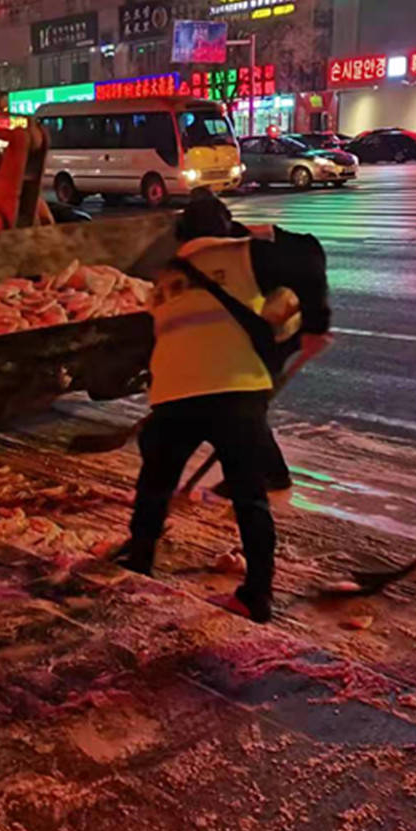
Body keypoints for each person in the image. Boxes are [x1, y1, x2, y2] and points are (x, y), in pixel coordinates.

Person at [120, 190, 301, 622]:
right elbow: (289, 311)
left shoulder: (165, 280)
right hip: (239, 396)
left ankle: (140, 557)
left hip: (177, 396)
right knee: (250, 498)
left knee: (155, 484)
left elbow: (159, 338)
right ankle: (257, 594)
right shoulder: (248, 260)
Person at [221, 211, 333, 492]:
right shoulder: (252, 241)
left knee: (242, 407)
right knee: (241, 407)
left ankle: (270, 474)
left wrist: (316, 327)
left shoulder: (246, 250)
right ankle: (260, 471)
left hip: (275, 334)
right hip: (272, 331)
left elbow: (309, 264)